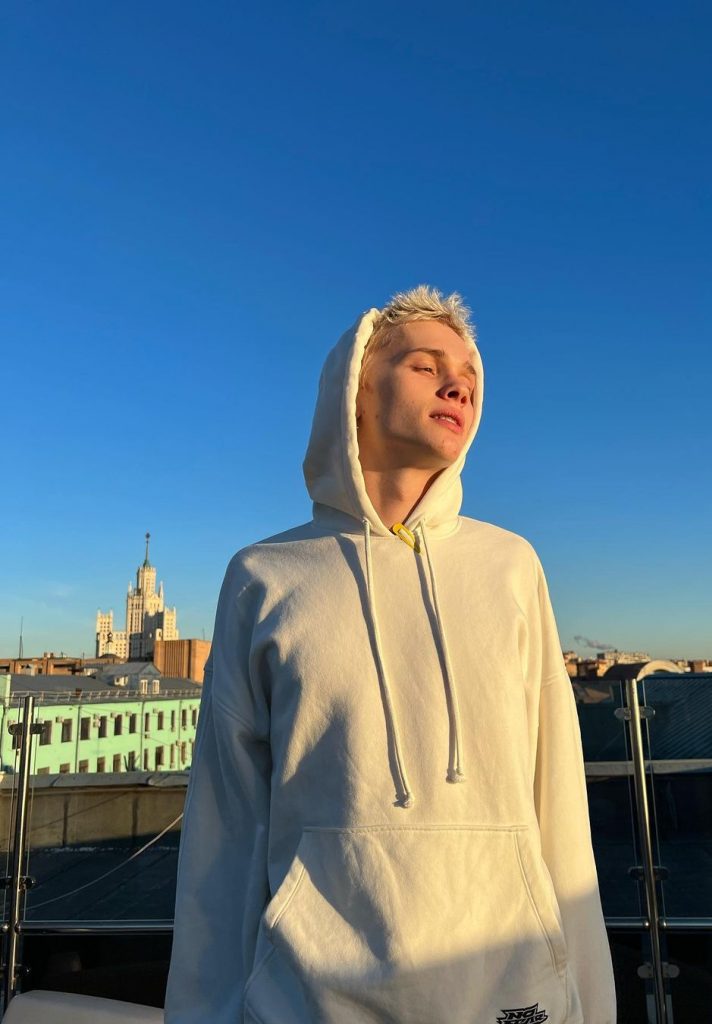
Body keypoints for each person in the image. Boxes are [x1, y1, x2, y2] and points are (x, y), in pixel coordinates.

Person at [164, 286, 616, 1024]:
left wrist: (592, 1007)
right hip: (310, 1000)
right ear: (356, 391)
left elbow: (559, 805)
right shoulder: (263, 576)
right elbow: (226, 830)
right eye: (425, 366)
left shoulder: (511, 565)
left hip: (513, 992)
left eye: (468, 374)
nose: (457, 385)